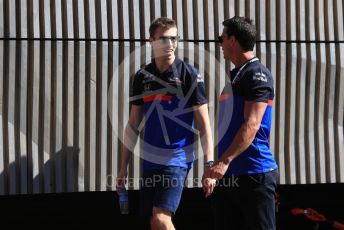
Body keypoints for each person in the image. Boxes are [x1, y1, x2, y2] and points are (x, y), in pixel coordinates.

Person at [116, 17, 215, 230]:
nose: (170, 44)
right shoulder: (142, 77)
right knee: (152, 222)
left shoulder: (189, 74)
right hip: (150, 160)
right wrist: (122, 167)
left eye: (174, 38)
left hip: (177, 159)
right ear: (151, 41)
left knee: (161, 218)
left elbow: (204, 125)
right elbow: (133, 124)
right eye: (163, 39)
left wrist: (209, 165)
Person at [202, 16, 279, 230]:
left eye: (221, 38)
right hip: (229, 177)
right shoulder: (236, 76)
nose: (220, 44)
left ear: (233, 40)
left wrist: (223, 162)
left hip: (254, 174)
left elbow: (251, 124)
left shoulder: (257, 74)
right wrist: (213, 167)